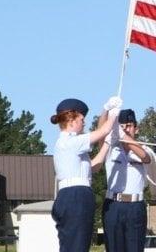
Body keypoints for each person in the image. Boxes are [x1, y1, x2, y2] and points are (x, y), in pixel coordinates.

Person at [51, 96, 122, 252]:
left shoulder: (72, 144)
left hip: (76, 194)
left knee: (78, 245)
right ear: (71, 120)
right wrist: (112, 113)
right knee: (76, 246)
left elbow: (94, 166)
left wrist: (108, 143)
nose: (84, 122)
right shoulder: (70, 142)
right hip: (75, 195)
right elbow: (103, 130)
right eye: (82, 119)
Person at [101, 108, 151, 252]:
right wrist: (106, 111)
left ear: (137, 128)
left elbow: (145, 157)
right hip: (113, 205)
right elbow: (101, 130)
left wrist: (122, 135)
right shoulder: (110, 148)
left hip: (135, 206)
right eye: (121, 126)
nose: (125, 129)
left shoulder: (145, 148)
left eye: (129, 125)